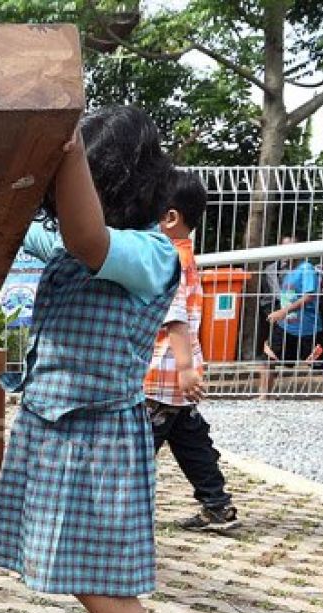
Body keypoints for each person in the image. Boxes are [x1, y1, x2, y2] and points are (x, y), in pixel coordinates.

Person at [0, 105, 180, 613]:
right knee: (77, 569)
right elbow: (26, 228)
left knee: (104, 585)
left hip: (99, 440)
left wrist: (69, 148)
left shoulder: (150, 253)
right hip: (52, 429)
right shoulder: (68, 247)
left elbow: (88, 238)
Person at [143, 171, 239, 532]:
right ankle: (216, 505)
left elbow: (175, 315)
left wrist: (184, 367)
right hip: (178, 374)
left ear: (170, 218)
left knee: (137, 447)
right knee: (189, 439)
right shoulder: (186, 255)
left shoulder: (165, 256)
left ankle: (116, 512)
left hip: (162, 370)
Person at [258, 251, 323, 398]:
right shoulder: (289, 272)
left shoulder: (306, 269)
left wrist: (283, 311)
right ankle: (264, 396)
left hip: (307, 328)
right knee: (267, 358)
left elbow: (309, 296)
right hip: (286, 326)